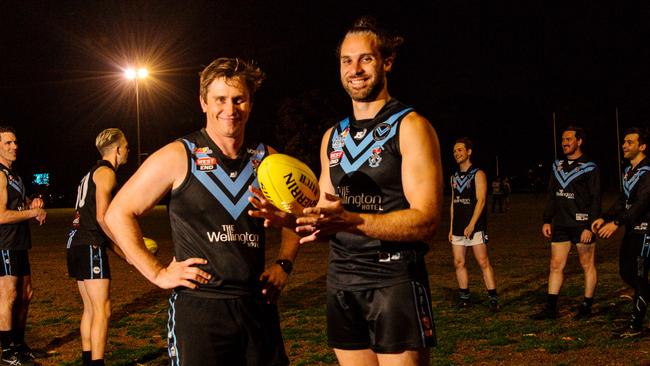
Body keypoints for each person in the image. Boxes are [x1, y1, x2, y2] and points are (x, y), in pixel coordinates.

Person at [251, 16, 442, 366]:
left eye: (365, 59)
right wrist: (289, 218)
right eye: (346, 60)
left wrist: (351, 220)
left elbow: (426, 221)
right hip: (341, 282)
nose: (355, 69)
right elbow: (325, 220)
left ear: (387, 62)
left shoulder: (411, 126)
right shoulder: (332, 137)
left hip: (394, 280)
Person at [105, 57, 298, 366]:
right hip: (199, 309)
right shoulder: (179, 155)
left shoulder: (268, 160)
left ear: (250, 102)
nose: (230, 109)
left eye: (239, 100)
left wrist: (283, 264)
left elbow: (296, 216)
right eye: (219, 99)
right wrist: (156, 272)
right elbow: (118, 213)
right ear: (203, 103)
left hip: (257, 305)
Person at [66, 128, 129, 366]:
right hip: (89, 243)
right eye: (126, 146)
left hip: (75, 242)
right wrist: (126, 248)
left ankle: (87, 360)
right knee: (103, 310)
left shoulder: (89, 173)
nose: (128, 151)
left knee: (91, 309)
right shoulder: (106, 173)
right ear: (118, 149)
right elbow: (103, 218)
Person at [534, 126, 600, 320]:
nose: (564, 142)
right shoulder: (557, 166)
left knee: (586, 265)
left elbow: (596, 198)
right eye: (563, 139)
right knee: (555, 265)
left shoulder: (590, 166)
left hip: (582, 224)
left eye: (569, 139)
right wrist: (547, 219)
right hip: (561, 223)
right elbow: (552, 195)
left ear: (579, 141)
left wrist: (590, 225)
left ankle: (587, 307)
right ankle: (550, 308)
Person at [592, 127, 650, 338]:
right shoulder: (628, 171)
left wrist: (616, 223)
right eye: (624, 141)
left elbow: (641, 204)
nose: (624, 145)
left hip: (646, 232)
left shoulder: (648, 172)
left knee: (640, 275)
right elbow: (623, 201)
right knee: (626, 272)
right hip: (632, 230)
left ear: (642, 146)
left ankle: (636, 326)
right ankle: (642, 302)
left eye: (629, 142)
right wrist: (605, 217)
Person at [0, 126, 47, 366]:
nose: (14, 146)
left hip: (20, 241)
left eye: (15, 142)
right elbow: (1, 215)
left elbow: (21, 204)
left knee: (26, 294)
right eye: (8, 143)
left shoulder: (14, 176)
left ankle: (19, 344)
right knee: (8, 296)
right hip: (4, 242)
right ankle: (8, 351)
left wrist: (33, 202)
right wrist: (32, 212)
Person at [449, 138, 499, 312]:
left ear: (469, 152)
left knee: (483, 262)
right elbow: (453, 203)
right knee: (458, 262)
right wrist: (451, 227)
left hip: (475, 227)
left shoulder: (478, 174)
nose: (457, 153)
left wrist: (471, 225)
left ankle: (493, 299)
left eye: (460, 150)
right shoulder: (454, 176)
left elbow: (482, 201)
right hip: (458, 227)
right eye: (455, 151)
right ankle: (465, 298)